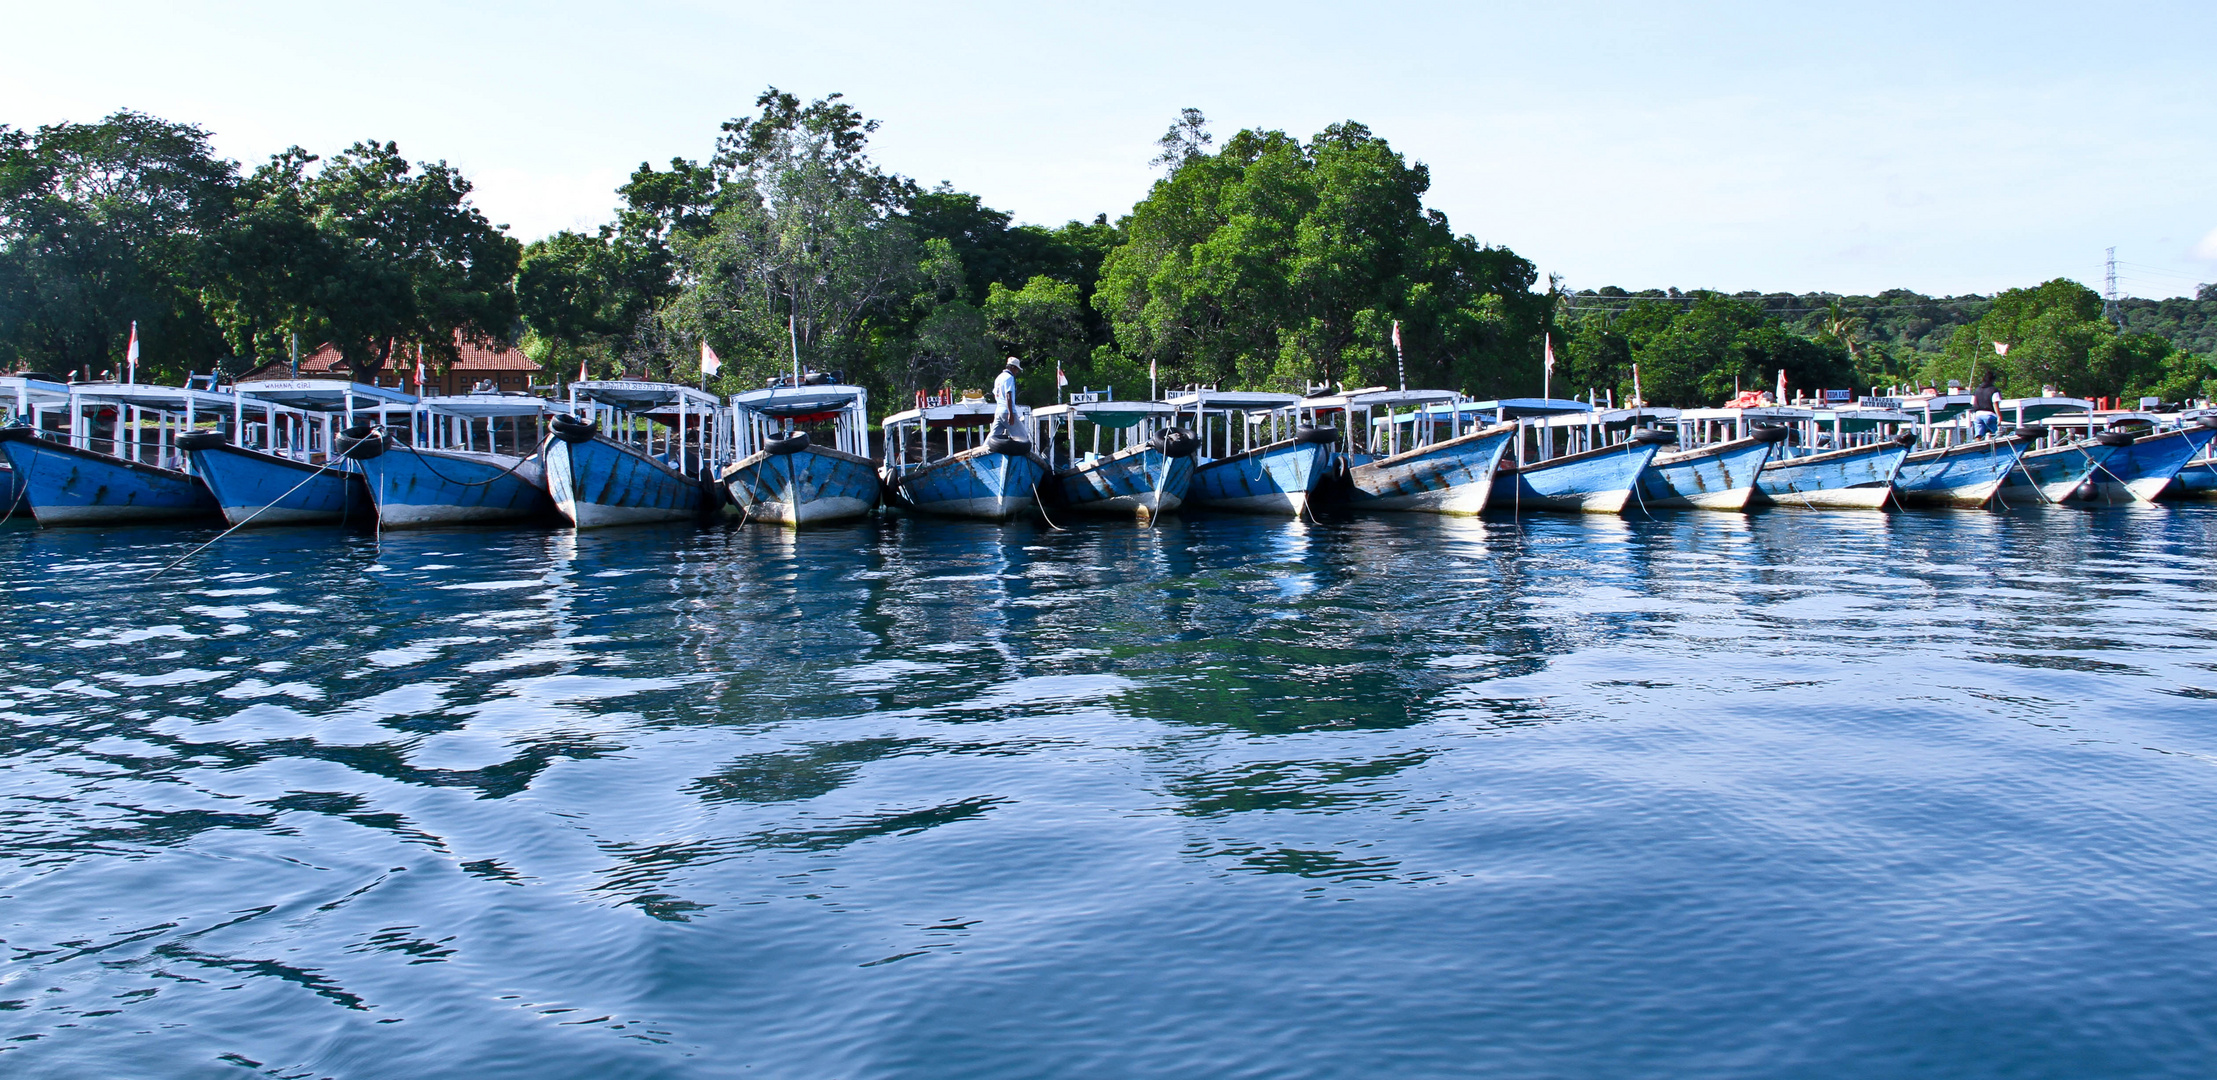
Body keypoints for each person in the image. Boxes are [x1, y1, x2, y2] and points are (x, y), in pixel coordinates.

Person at [990, 356, 1022, 441]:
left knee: (992, 438)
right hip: (1007, 411)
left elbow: (995, 394)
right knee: (1022, 437)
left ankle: (981, 452)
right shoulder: (1009, 377)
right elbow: (1008, 395)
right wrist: (1010, 413)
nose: (1017, 372)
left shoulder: (999, 377)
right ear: (1012, 367)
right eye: (1016, 369)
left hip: (998, 411)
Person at [1969, 373, 2000, 438]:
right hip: (1989, 414)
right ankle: (1992, 444)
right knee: (1994, 433)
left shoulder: (1977, 390)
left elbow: (1972, 403)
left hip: (1978, 415)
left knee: (1978, 435)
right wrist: (1999, 416)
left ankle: (1977, 445)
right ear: (1993, 380)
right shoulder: (1994, 390)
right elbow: (1995, 403)